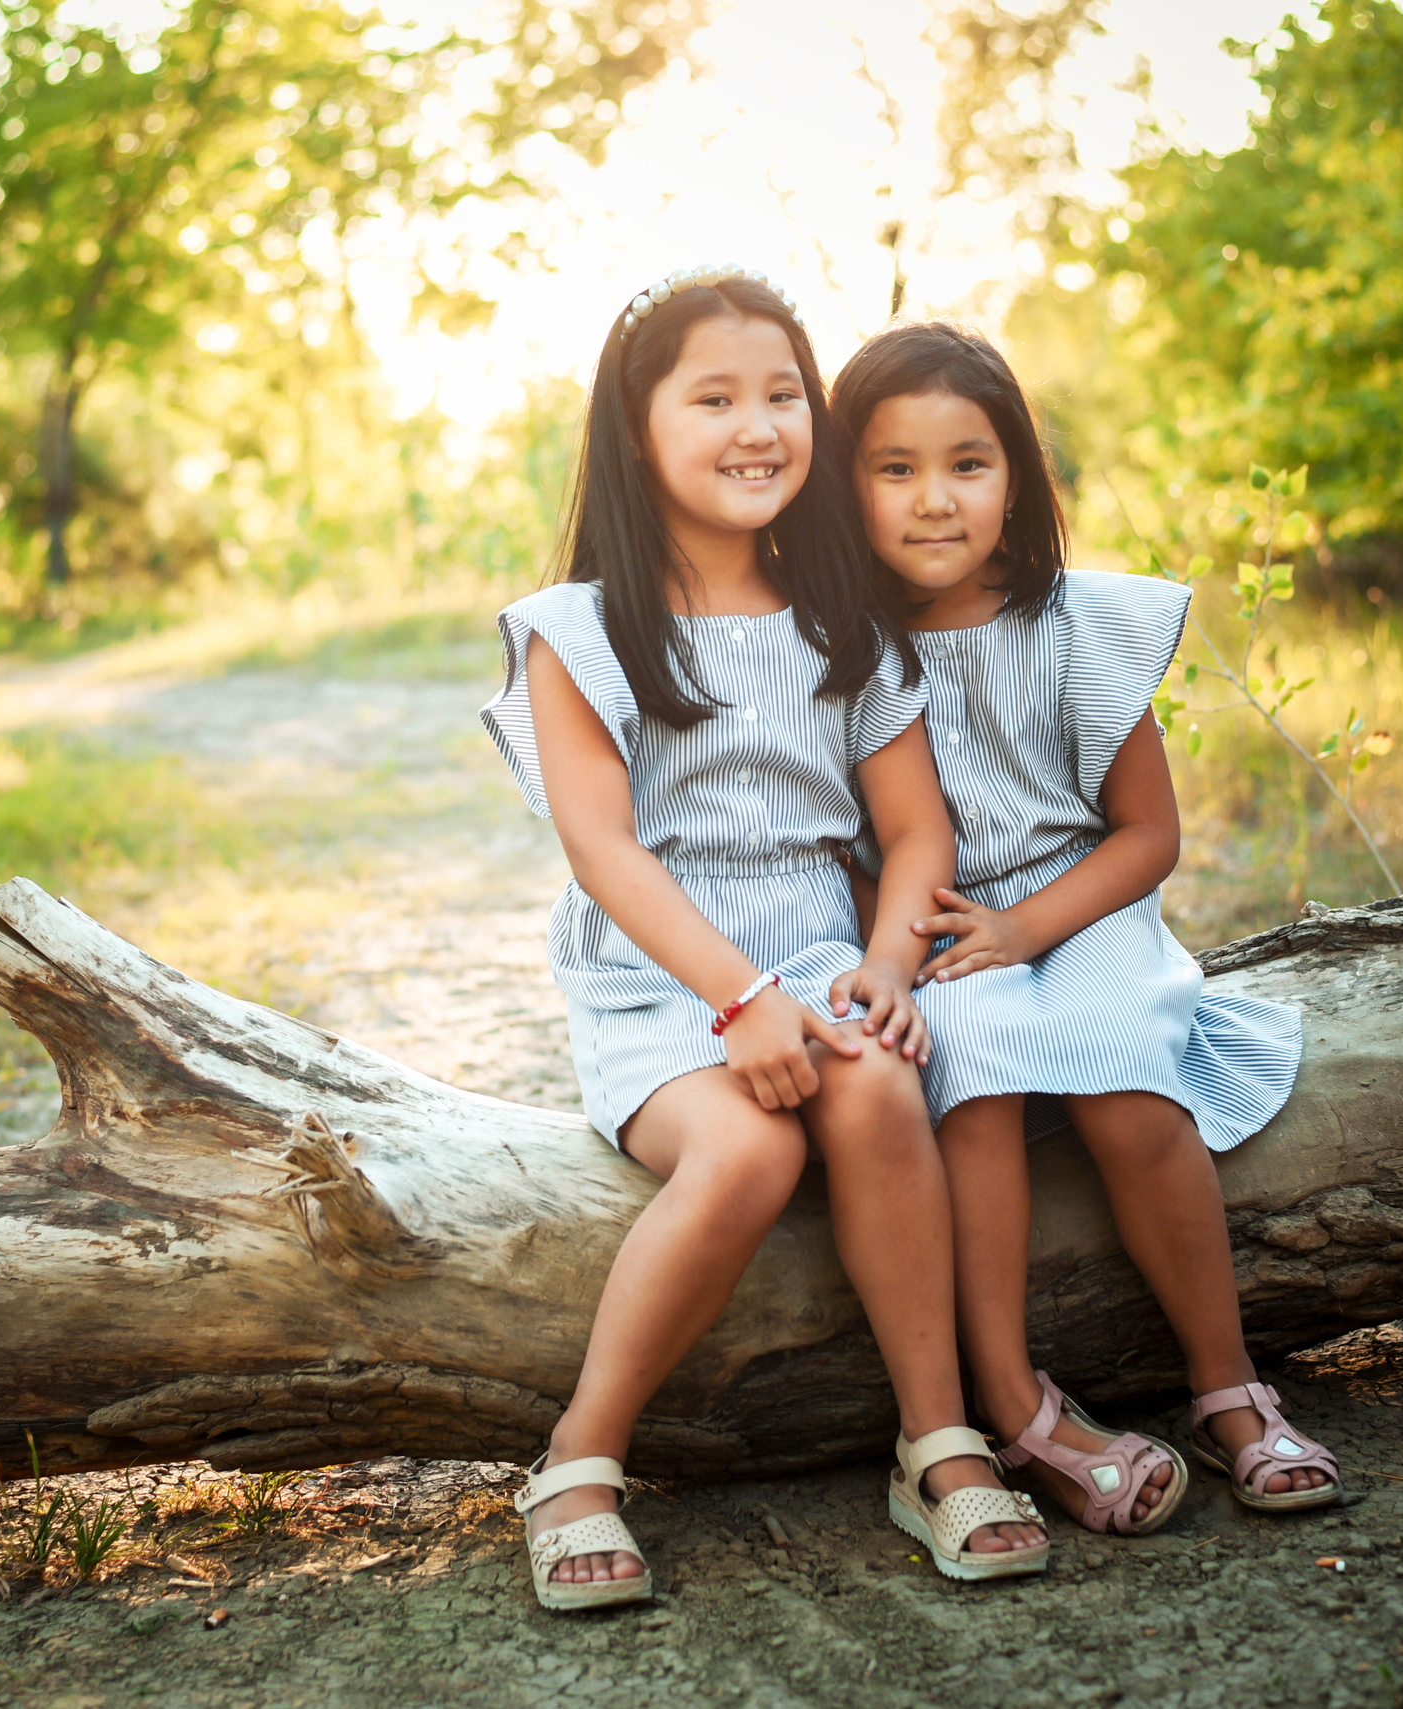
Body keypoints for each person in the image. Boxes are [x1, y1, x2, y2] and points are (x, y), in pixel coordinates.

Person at [479, 270, 1045, 1611]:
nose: (759, 426)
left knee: (881, 1087)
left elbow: (914, 838)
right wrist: (739, 1000)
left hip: (819, 959)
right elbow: (604, 852)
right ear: (637, 427)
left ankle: (938, 1438)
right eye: (715, 396)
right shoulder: (582, 632)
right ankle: (578, 1458)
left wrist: (887, 968)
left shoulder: (846, 622)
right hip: (662, 981)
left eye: (785, 395)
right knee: (747, 1146)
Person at [828, 321, 1335, 1534]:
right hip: (942, 925)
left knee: (1122, 1076)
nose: (934, 499)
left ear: (1017, 479)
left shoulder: (1077, 626)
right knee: (978, 1076)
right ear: (843, 484)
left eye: (968, 463)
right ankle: (1018, 1406)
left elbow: (1146, 835)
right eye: (893, 468)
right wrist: (959, 939)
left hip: (1085, 902)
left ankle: (1229, 1389)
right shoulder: (843, 649)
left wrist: (1029, 923)